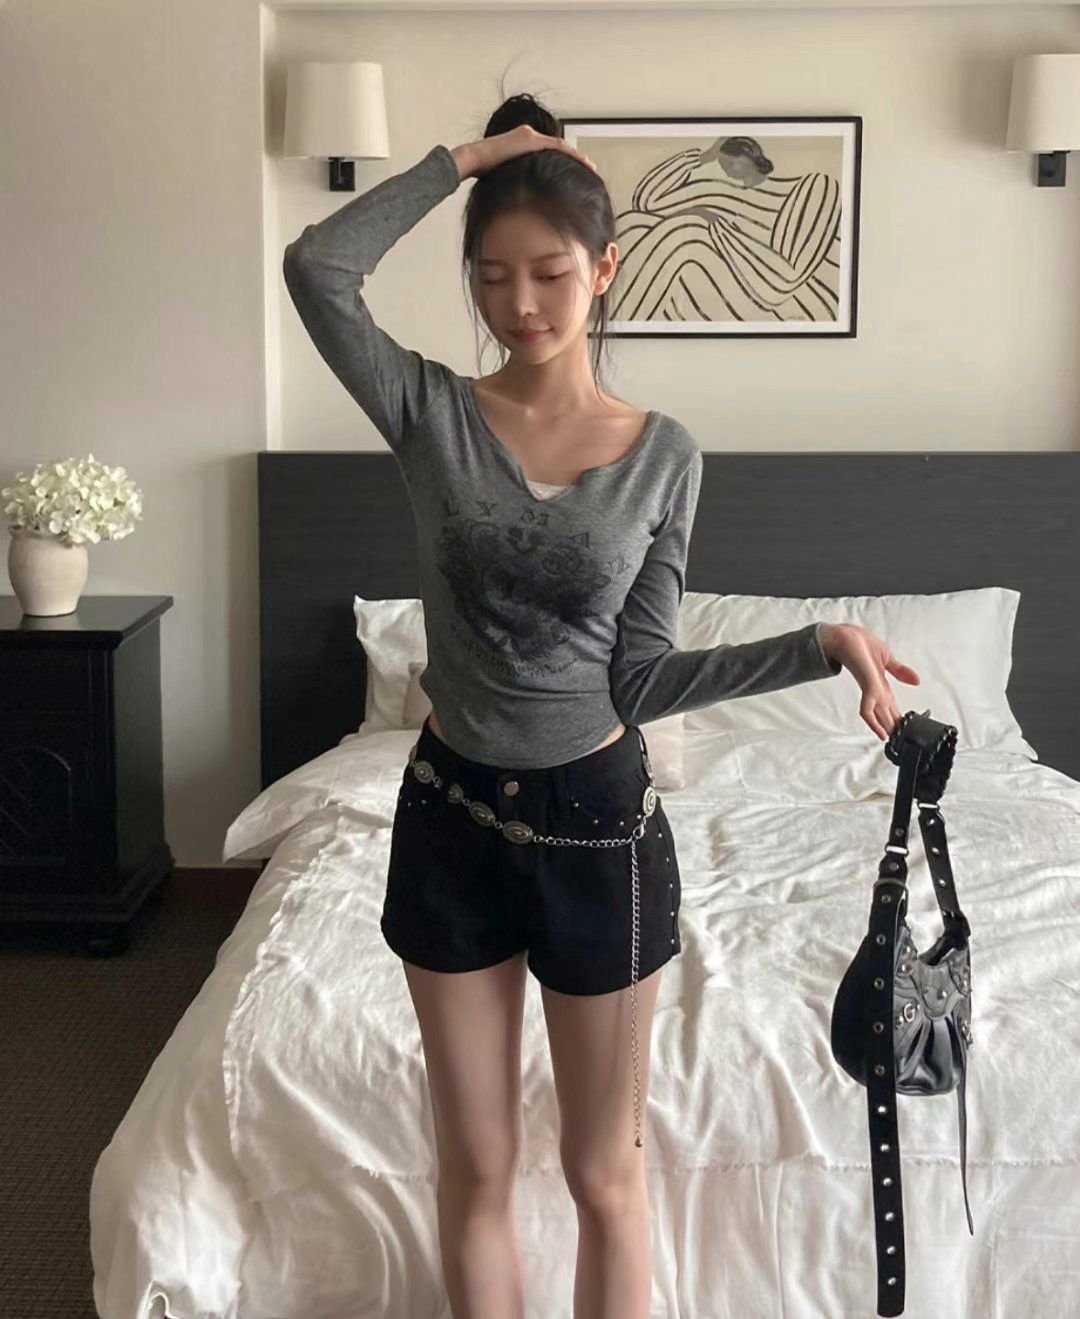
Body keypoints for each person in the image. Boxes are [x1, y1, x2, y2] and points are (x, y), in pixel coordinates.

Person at [282, 89, 920, 1319]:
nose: (519, 304)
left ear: (606, 270)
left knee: (603, 1173)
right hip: (450, 816)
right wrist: (470, 156)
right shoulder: (429, 413)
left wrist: (819, 644)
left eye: (550, 274)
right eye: (492, 277)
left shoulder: (664, 454)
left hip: (602, 831)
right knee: (475, 1169)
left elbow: (639, 679)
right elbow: (318, 268)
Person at [612, 134, 843, 324]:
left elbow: (781, 283)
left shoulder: (813, 188)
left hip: (786, 306)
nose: (728, 172)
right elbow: (646, 202)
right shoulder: (721, 192)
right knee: (635, 224)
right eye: (723, 166)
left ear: (749, 157)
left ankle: (618, 327)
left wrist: (715, 225)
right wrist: (704, 157)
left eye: (731, 164)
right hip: (720, 288)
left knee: (686, 230)